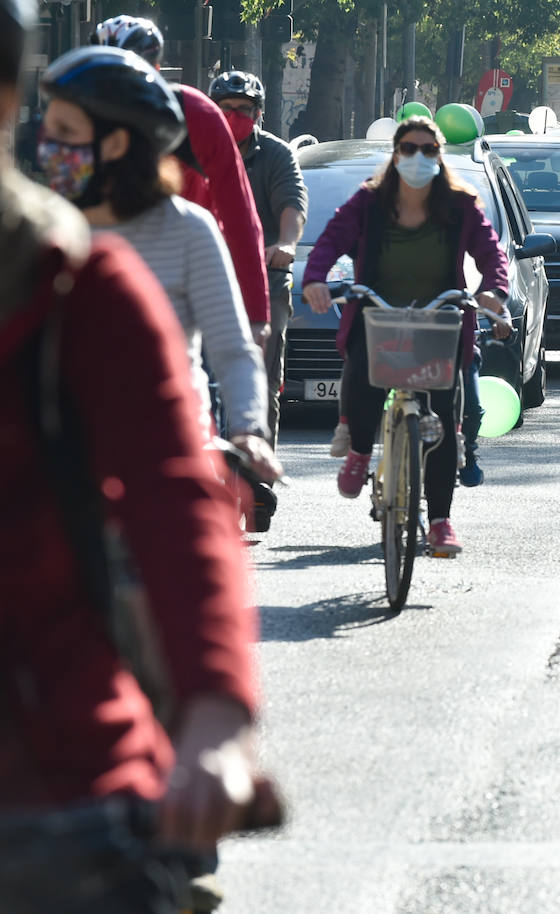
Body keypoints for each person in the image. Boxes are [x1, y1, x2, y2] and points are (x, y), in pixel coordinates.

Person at [0, 5, 268, 908]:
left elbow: (172, 483)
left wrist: (215, 718)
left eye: (69, 133)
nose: (55, 148)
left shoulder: (80, 278)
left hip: (53, 771)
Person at [36, 46, 280, 485]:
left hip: (169, 457)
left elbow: (232, 350)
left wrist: (247, 430)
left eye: (65, 130)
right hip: (59, 464)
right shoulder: (37, 230)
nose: (47, 144)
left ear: (116, 143)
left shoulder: (189, 232)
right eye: (48, 127)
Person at [302, 115, 512, 555]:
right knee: (360, 375)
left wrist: (493, 292)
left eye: (428, 150)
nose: (418, 158)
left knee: (442, 427)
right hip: (378, 315)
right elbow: (328, 241)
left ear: (439, 156)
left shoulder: (460, 204)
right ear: (396, 155)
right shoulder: (368, 202)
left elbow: (492, 253)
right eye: (409, 149)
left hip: (439, 322)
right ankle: (360, 451)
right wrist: (316, 279)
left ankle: (439, 522)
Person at [92, 15, 272, 347]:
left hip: (184, 269)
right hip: (102, 268)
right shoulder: (77, 115)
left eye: (127, 75)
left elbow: (241, 216)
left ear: (154, 70)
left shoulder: (198, 115)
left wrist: (255, 315)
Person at [210, 69, 308, 451]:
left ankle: (257, 471)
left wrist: (285, 243)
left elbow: (292, 205)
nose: (235, 115)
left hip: (263, 275)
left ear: (259, 113)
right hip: (206, 274)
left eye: (244, 108)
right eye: (226, 108)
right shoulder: (194, 150)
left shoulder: (276, 154)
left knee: (262, 375)